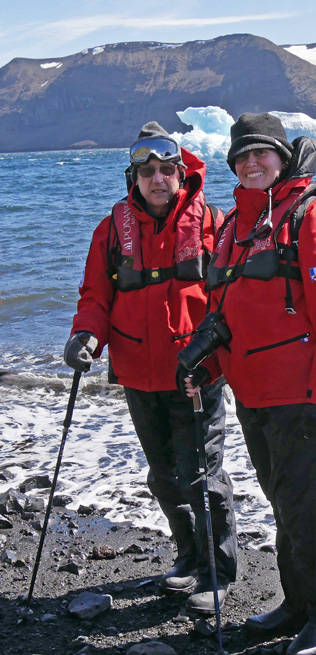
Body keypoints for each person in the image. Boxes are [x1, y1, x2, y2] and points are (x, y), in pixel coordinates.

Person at [178, 112, 316, 655]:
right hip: (256, 399)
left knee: (305, 509)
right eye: (242, 156)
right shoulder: (236, 228)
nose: (251, 162)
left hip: (306, 401)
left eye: (262, 153)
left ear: (282, 158)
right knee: (285, 507)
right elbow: (225, 316)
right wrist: (205, 366)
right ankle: (294, 603)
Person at [63, 121, 237, 613]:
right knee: (163, 476)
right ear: (133, 178)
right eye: (147, 172)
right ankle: (188, 557)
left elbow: (231, 300)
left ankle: (217, 571)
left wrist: (222, 356)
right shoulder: (110, 230)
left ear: (181, 174)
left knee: (203, 477)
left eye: (166, 170)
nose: (157, 180)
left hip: (196, 375)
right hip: (138, 373)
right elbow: (96, 296)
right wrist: (85, 338)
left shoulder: (212, 223)